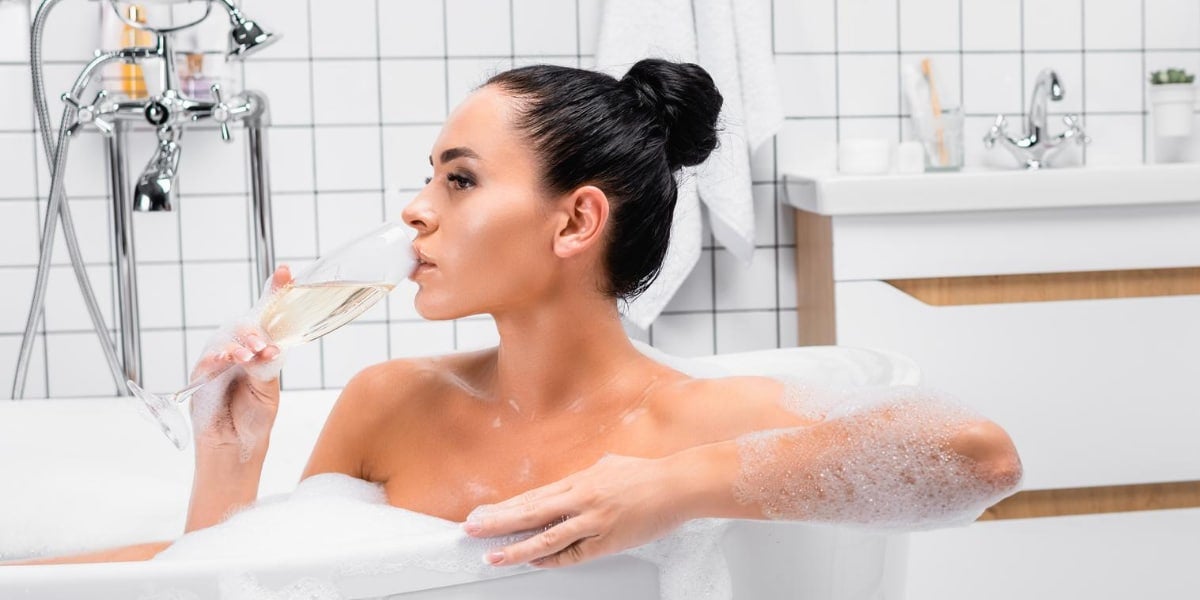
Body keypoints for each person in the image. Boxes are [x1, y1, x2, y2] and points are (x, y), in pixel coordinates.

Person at [7, 58, 1022, 568]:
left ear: (576, 220)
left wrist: (674, 487)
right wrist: (230, 458)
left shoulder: (692, 423)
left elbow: (979, 459)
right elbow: (249, 584)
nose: (415, 208)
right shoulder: (388, 402)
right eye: (428, 178)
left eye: (459, 179)